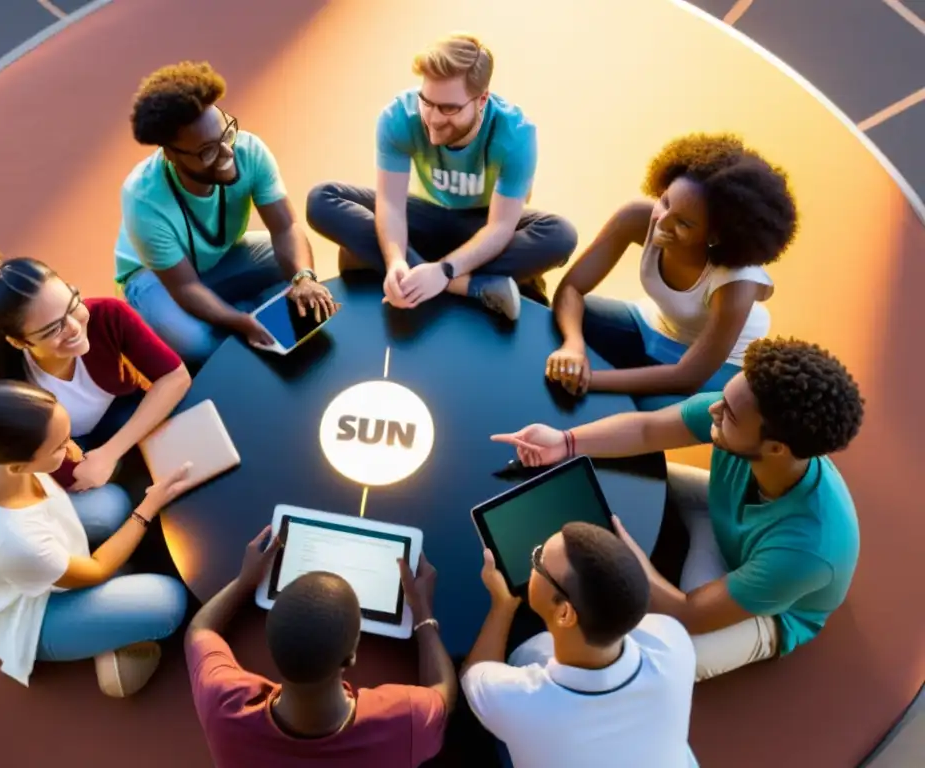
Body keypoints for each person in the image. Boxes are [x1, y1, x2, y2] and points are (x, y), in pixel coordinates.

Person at [493, 337, 864, 681]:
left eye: (729, 414)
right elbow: (647, 431)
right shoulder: (741, 414)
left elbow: (687, 613)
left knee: (670, 659)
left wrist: (628, 554)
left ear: (777, 448)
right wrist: (565, 442)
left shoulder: (806, 551)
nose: (714, 408)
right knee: (614, 473)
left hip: (770, 610)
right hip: (720, 514)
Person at [306, 33, 578, 321]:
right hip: (424, 219)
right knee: (322, 198)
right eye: (427, 102)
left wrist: (443, 271)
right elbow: (391, 204)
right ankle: (468, 286)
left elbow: (499, 227)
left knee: (561, 234)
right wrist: (396, 260)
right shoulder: (398, 116)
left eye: (449, 108)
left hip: (481, 224)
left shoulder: (516, 134)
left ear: (482, 99)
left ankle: (439, 276)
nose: (433, 119)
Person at [0, 381, 190, 696]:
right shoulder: (16, 542)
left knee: (113, 503)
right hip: (32, 614)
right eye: (60, 446)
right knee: (169, 601)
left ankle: (108, 616)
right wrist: (149, 506)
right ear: (19, 466)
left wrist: (63, 448)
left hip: (38, 553)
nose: (72, 448)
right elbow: (97, 568)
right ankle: (106, 650)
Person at [547, 133, 798, 411]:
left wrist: (589, 379)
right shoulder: (637, 217)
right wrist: (573, 346)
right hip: (654, 328)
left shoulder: (738, 282)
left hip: (715, 367)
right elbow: (572, 289)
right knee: (571, 320)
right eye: (665, 202)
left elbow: (686, 378)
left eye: (684, 223)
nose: (662, 222)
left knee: (648, 408)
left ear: (715, 235)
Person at [114, 60, 338, 367]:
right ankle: (225, 315)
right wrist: (241, 321)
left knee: (302, 276)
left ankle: (229, 312)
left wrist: (303, 277)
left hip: (220, 256)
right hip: (156, 277)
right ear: (171, 155)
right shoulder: (142, 198)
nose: (227, 154)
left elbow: (285, 228)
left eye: (226, 133)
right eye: (208, 151)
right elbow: (185, 286)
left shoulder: (249, 150)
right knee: (197, 346)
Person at [186, 527, 457, 766]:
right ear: (351, 656)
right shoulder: (404, 720)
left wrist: (245, 580)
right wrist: (422, 613)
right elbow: (443, 693)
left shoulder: (223, 707)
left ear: (271, 646)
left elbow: (199, 631)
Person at [0, 251, 192, 505]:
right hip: (62, 450)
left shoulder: (108, 315)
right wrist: (90, 466)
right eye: (53, 328)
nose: (75, 327)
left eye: (72, 304)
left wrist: (110, 452)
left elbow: (175, 377)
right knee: (109, 506)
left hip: (119, 412)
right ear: (19, 341)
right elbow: (49, 467)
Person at [461, 524, 697, 767]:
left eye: (538, 559)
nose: (534, 560)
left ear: (564, 613)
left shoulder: (519, 701)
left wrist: (503, 605)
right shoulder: (672, 641)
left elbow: (474, 673)